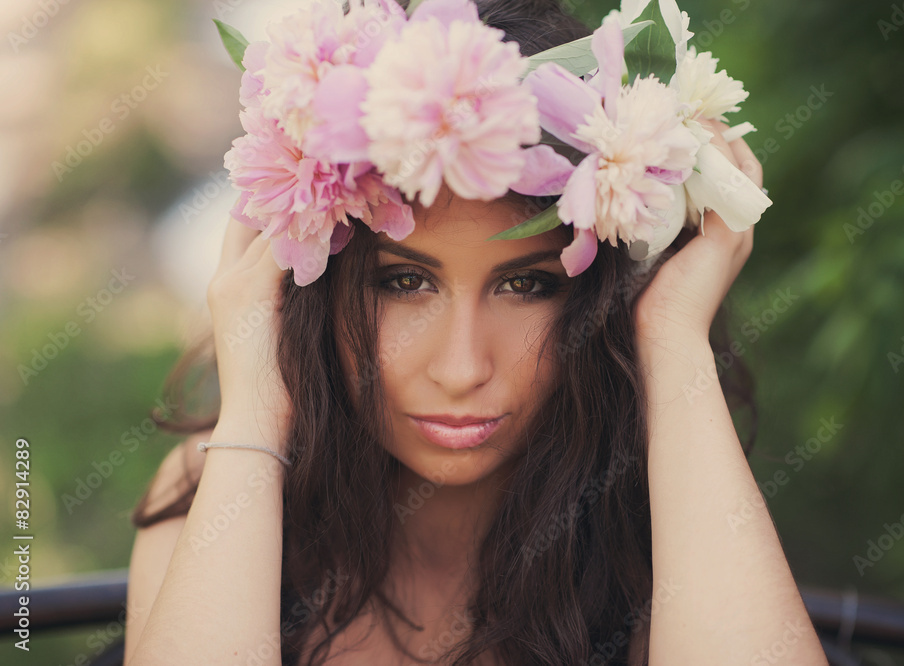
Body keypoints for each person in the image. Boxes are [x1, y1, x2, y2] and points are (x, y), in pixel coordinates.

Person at [123, 0, 828, 663]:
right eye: (404, 282)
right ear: (307, 285)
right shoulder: (217, 485)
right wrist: (257, 412)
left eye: (528, 285)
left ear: (598, 296)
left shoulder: (648, 505)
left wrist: (672, 341)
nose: (462, 369)